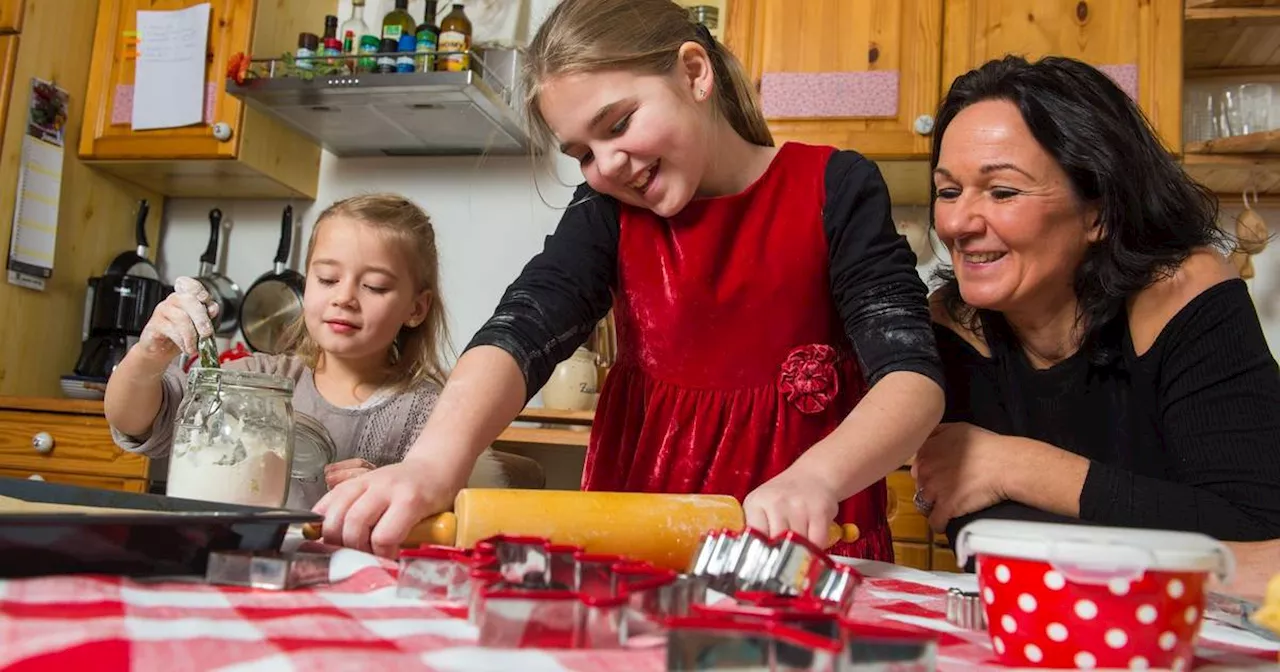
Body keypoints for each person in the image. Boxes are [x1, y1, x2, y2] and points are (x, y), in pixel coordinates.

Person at [315, 0, 946, 560]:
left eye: (617, 124)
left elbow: (912, 379)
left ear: (695, 73)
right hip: (645, 530)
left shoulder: (835, 187)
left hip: (802, 533)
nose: (608, 164)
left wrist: (816, 478)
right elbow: (522, 327)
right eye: (583, 153)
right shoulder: (608, 212)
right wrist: (430, 465)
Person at [912, 56, 1280, 562]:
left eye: (1002, 192)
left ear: (1099, 212)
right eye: (948, 191)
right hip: (1037, 625)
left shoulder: (1182, 292)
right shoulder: (952, 327)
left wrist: (1015, 465)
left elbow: (1258, 529)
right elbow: (983, 538)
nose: (958, 223)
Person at [104, 194, 506, 508]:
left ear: (416, 308)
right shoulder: (258, 380)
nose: (344, 298)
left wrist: (386, 493)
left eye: (375, 286)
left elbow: (451, 522)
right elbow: (136, 421)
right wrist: (149, 355)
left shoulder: (430, 413)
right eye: (328, 278)